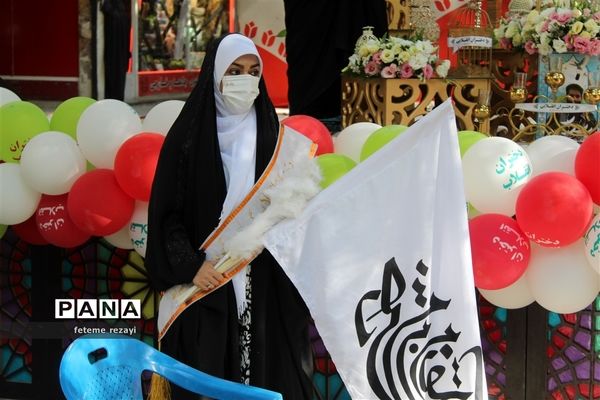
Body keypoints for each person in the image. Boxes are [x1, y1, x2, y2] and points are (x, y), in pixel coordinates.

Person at [145, 33, 313, 400]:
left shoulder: (273, 136)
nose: (245, 80)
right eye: (234, 71)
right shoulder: (186, 139)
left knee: (261, 376)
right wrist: (191, 266)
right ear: (215, 74)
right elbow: (166, 214)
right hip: (207, 281)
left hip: (262, 283)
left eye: (254, 72)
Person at [283, 0, 388, 133]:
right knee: (310, 57)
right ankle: (310, 125)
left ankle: (359, 118)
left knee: (362, 53)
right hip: (312, 18)